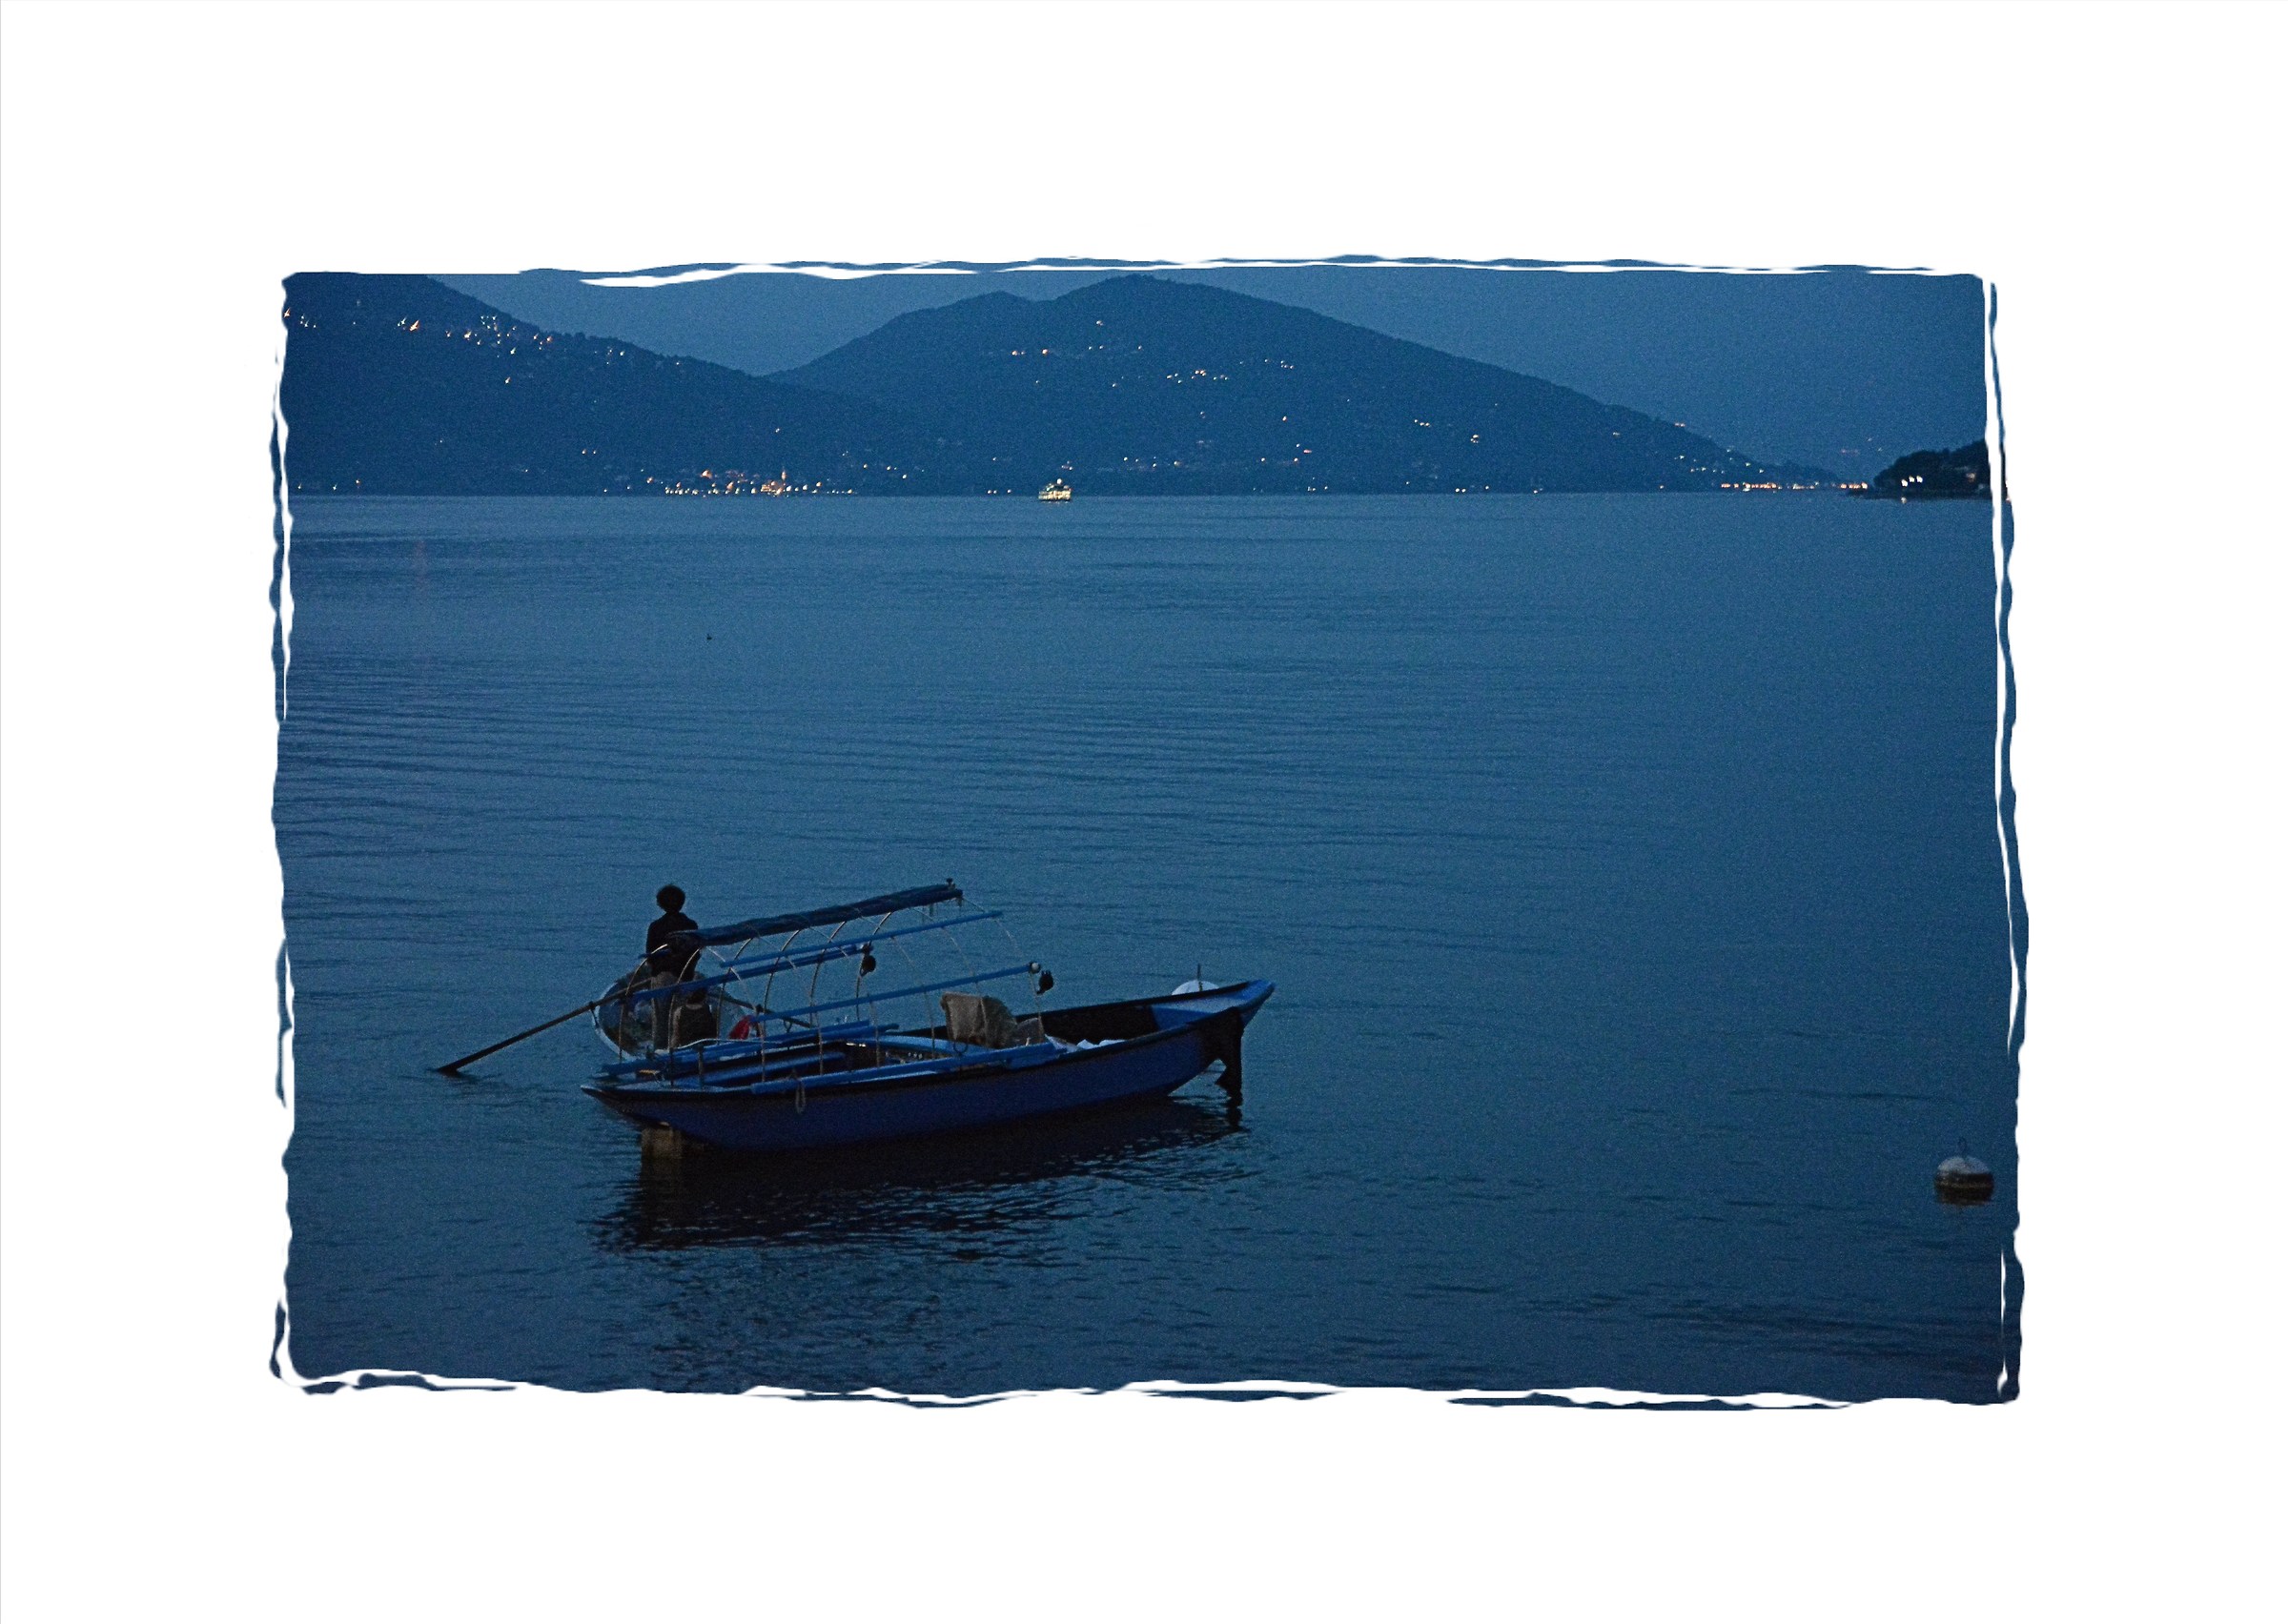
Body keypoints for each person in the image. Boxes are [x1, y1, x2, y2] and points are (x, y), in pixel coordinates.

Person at [643, 884, 703, 1048]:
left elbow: (651, 956)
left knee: (661, 1017)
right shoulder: (691, 924)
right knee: (680, 1016)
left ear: (660, 904)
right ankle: (680, 1047)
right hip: (686, 976)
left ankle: (660, 1050)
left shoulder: (656, 926)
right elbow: (696, 953)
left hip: (663, 978)